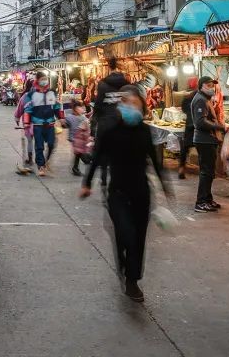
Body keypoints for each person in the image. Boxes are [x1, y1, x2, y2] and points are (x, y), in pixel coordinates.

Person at [80, 84, 173, 302]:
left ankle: (132, 280)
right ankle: (123, 263)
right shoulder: (109, 129)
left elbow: (155, 161)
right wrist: (87, 183)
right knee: (125, 234)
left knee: (138, 239)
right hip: (118, 192)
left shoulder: (144, 131)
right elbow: (98, 156)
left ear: (142, 106)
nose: (131, 107)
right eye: (127, 103)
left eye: (135, 103)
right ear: (120, 106)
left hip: (141, 192)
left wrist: (166, 187)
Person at [92, 58, 130, 188]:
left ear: (108, 66)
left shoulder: (102, 84)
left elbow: (98, 105)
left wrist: (94, 122)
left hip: (106, 122)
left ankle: (103, 177)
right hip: (123, 122)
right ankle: (119, 178)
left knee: (103, 151)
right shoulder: (126, 83)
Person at [190, 76, 225, 213]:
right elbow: (200, 122)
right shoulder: (200, 100)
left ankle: (208, 199)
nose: (212, 87)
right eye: (209, 85)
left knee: (209, 172)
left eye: (212, 85)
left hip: (208, 139)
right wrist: (218, 126)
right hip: (204, 140)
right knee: (206, 172)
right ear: (201, 86)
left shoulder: (205, 99)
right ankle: (201, 202)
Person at [22, 71, 63, 177]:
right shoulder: (31, 94)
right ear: (37, 80)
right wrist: (26, 122)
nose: (45, 81)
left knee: (51, 144)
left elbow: (56, 107)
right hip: (37, 125)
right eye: (42, 79)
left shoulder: (52, 93)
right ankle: (41, 166)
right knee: (39, 146)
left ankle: (45, 161)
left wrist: (61, 118)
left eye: (46, 79)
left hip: (50, 124)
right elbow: (27, 109)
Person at [14, 78, 36, 175]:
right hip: (29, 123)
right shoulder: (26, 97)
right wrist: (17, 118)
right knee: (31, 141)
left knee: (33, 142)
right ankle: (31, 159)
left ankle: (32, 159)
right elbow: (20, 108)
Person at [178, 77, 198, 179]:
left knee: (185, 148)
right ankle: (205, 169)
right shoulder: (199, 95)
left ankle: (181, 168)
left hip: (189, 124)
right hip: (198, 125)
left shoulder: (187, 96)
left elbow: (184, 109)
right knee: (202, 147)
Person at [64, 100, 89, 176]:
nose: (82, 109)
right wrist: (63, 123)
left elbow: (87, 124)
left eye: (82, 108)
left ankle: (75, 168)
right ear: (75, 109)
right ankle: (77, 167)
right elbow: (66, 125)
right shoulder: (70, 117)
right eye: (80, 108)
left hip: (81, 139)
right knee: (80, 154)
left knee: (78, 154)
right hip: (75, 138)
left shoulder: (83, 117)